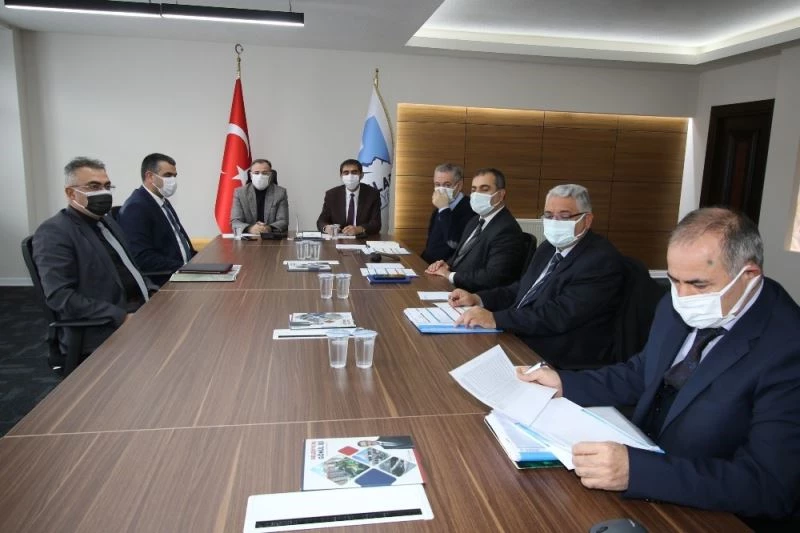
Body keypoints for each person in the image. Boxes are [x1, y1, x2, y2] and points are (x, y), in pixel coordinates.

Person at [518, 207, 800, 527]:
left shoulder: (788, 348)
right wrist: (565, 383)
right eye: (674, 280)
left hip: (712, 513)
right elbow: (643, 372)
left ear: (748, 276)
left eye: (698, 285)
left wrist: (638, 472)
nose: (682, 296)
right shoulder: (677, 304)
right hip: (640, 469)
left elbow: (769, 486)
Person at [451, 184, 625, 369]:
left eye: (564, 216)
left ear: (587, 220)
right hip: (524, 335)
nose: (555, 222)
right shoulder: (548, 247)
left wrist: (496, 319)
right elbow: (522, 289)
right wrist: (478, 298)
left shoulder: (600, 260)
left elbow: (558, 315)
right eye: (549, 215)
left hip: (557, 355)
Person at [32, 157, 155, 369]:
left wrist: (156, 293)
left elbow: (131, 268)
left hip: (139, 311)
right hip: (103, 327)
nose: (103, 192)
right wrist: (121, 317)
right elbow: (60, 296)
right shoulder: (54, 232)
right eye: (94, 186)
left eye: (107, 186)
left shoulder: (106, 222)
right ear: (71, 193)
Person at [426, 168, 525, 292]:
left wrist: (450, 275)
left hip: (473, 294)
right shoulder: (475, 220)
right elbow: (460, 254)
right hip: (455, 286)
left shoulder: (507, 230)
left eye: (484, 189)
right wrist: (446, 265)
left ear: (500, 195)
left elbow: (493, 277)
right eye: (474, 189)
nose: (477, 194)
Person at [118, 153, 196, 286]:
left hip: (182, 273)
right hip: (164, 281)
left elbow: (179, 242)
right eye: (168, 175)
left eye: (174, 176)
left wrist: (200, 262)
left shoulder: (162, 201)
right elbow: (142, 257)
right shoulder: (136, 207)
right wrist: (185, 267)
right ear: (150, 176)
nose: (172, 180)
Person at [420, 163, 475, 263]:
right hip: (428, 264)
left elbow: (454, 243)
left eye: (447, 185)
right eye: (437, 184)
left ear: (459, 186)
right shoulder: (439, 207)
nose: (441, 189)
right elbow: (432, 244)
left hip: (447, 268)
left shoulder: (470, 209)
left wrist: (444, 208)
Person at [316, 159, 381, 236]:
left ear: (361, 175)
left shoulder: (372, 194)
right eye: (346, 173)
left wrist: (359, 229)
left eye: (354, 172)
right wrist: (326, 228)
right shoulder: (332, 195)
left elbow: (376, 224)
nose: (350, 176)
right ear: (341, 176)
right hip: (338, 239)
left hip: (361, 238)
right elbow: (321, 221)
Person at [230, 158, 289, 235]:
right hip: (248, 238)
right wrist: (250, 228)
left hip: (271, 237)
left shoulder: (280, 192)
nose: (260, 176)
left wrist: (268, 228)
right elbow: (235, 222)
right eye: (256, 173)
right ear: (251, 175)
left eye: (265, 173)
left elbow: (283, 221)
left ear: (271, 175)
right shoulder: (240, 193)